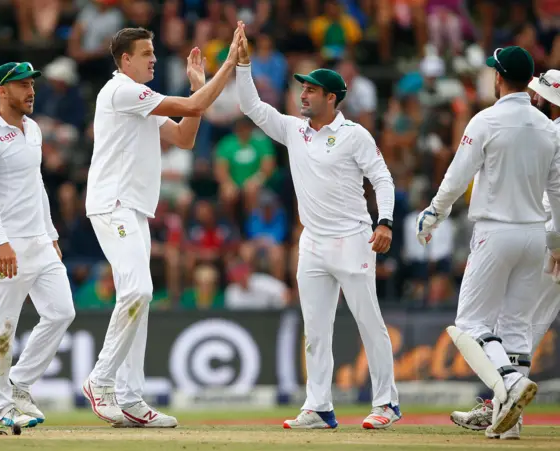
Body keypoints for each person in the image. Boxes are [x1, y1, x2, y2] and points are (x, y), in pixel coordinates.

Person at [235, 24, 401, 430]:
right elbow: (252, 107)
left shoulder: (353, 134)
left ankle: (387, 403)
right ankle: (319, 406)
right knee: (315, 329)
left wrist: (386, 222)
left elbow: (383, 178)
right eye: (301, 89)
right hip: (311, 243)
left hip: (353, 240)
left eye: (310, 90)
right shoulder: (295, 130)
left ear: (332, 98)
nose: (302, 94)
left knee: (369, 321)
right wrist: (243, 66)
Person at [82, 25, 242, 427]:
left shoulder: (142, 101)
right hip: (112, 205)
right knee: (138, 289)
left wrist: (200, 87)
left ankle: (131, 398)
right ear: (125, 60)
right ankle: (100, 382)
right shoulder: (121, 90)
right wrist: (227, 68)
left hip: (133, 209)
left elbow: (185, 137)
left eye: (154, 52)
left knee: (140, 298)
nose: (154, 59)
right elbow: (190, 108)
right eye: (146, 53)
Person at [416, 48, 560, 439]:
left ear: (499, 77)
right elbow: (557, 191)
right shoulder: (548, 128)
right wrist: (556, 242)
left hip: (495, 232)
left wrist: (433, 214)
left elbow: (456, 176)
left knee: (469, 324)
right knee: (515, 328)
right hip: (535, 235)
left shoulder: (486, 120)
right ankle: (508, 422)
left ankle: (508, 385)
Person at [0, 62, 76, 429]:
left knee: (62, 312)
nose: (31, 91)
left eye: (32, 84)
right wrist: (1, 242)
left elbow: (37, 185)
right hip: (7, 245)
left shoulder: (33, 129)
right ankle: (0, 408)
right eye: (22, 85)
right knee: (2, 329)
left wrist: (51, 234)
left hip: (39, 242)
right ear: (2, 91)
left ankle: (20, 383)